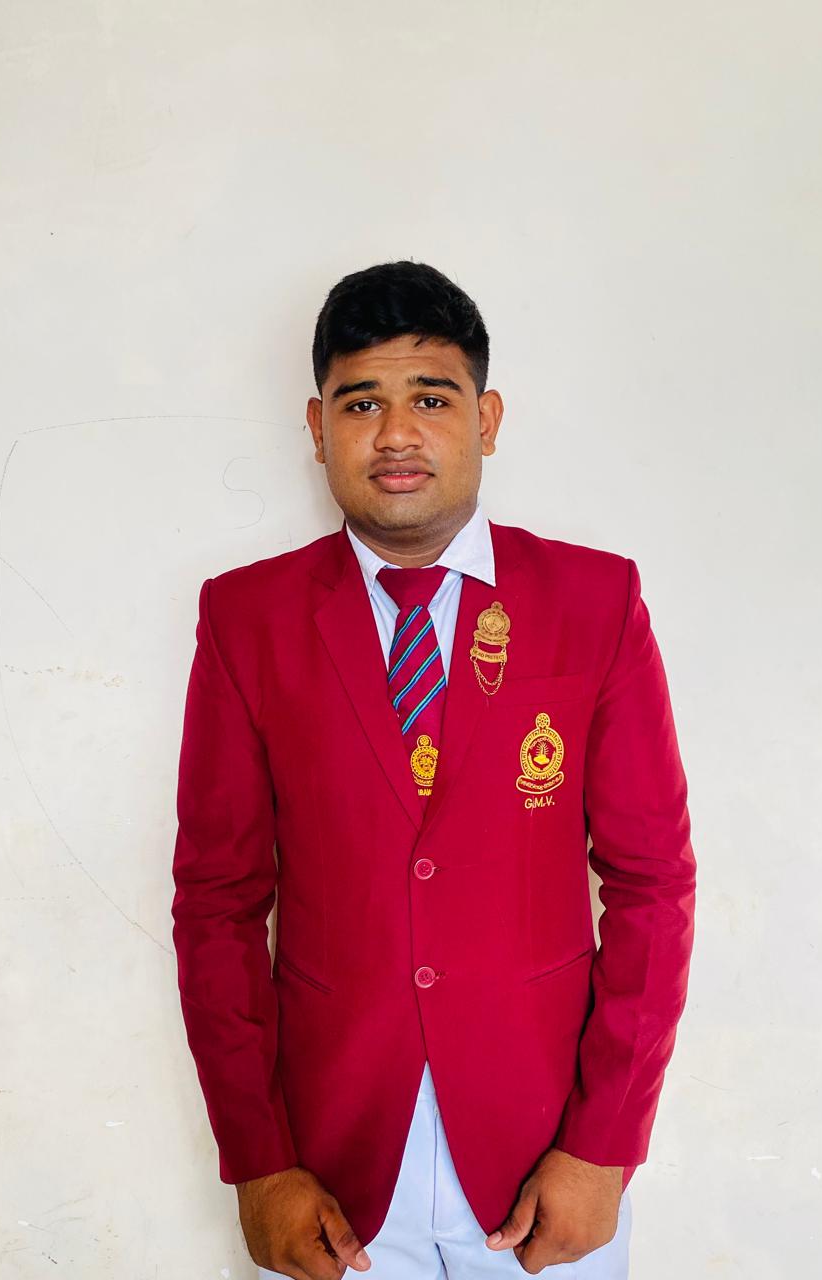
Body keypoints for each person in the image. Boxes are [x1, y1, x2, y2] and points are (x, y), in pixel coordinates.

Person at [170, 260, 697, 1279]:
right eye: (361, 402)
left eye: (432, 398)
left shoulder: (594, 600)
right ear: (318, 427)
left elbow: (652, 882)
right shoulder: (247, 619)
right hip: (330, 1167)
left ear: (486, 419)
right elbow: (218, 901)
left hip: (546, 1155)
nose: (397, 434)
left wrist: (604, 1145)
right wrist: (260, 1160)